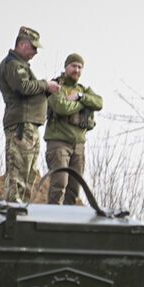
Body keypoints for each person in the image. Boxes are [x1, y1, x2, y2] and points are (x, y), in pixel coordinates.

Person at [0, 25, 59, 202]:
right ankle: (13, 214)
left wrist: (46, 90)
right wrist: (46, 85)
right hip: (21, 127)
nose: (35, 52)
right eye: (34, 47)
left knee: (28, 175)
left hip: (29, 127)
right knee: (18, 176)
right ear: (23, 45)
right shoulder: (13, 64)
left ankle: (20, 212)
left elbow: (29, 90)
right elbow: (23, 87)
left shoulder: (20, 65)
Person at [44, 53, 104, 205]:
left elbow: (99, 102)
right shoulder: (55, 86)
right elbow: (61, 107)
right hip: (59, 143)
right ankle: (52, 221)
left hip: (78, 145)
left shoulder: (82, 90)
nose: (76, 70)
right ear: (66, 67)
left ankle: (67, 222)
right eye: (73, 66)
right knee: (59, 184)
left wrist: (80, 97)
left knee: (74, 188)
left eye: (80, 67)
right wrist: (83, 103)